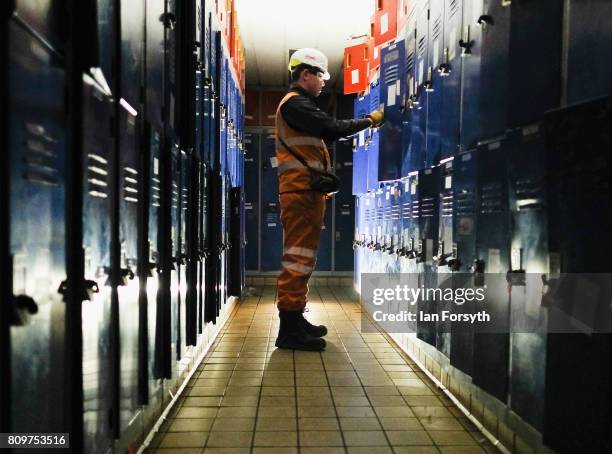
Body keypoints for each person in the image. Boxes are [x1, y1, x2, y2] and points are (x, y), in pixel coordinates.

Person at [274, 48, 384, 351]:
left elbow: (325, 134)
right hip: (300, 192)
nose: (323, 82)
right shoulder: (295, 104)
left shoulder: (301, 105)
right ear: (306, 74)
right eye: (320, 75)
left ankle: (296, 319)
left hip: (306, 192)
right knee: (298, 258)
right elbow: (331, 129)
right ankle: (289, 330)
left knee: (303, 258)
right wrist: (370, 120)